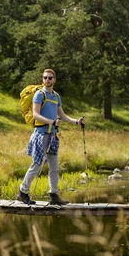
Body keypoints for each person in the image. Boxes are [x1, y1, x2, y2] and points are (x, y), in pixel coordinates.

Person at [17, 69, 85, 205]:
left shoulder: (56, 96)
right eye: (45, 78)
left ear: (54, 80)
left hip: (52, 135)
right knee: (37, 165)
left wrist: (77, 122)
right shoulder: (39, 95)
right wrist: (51, 121)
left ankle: (53, 195)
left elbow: (63, 116)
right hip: (41, 135)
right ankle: (22, 193)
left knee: (54, 167)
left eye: (50, 78)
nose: (47, 80)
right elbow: (35, 114)